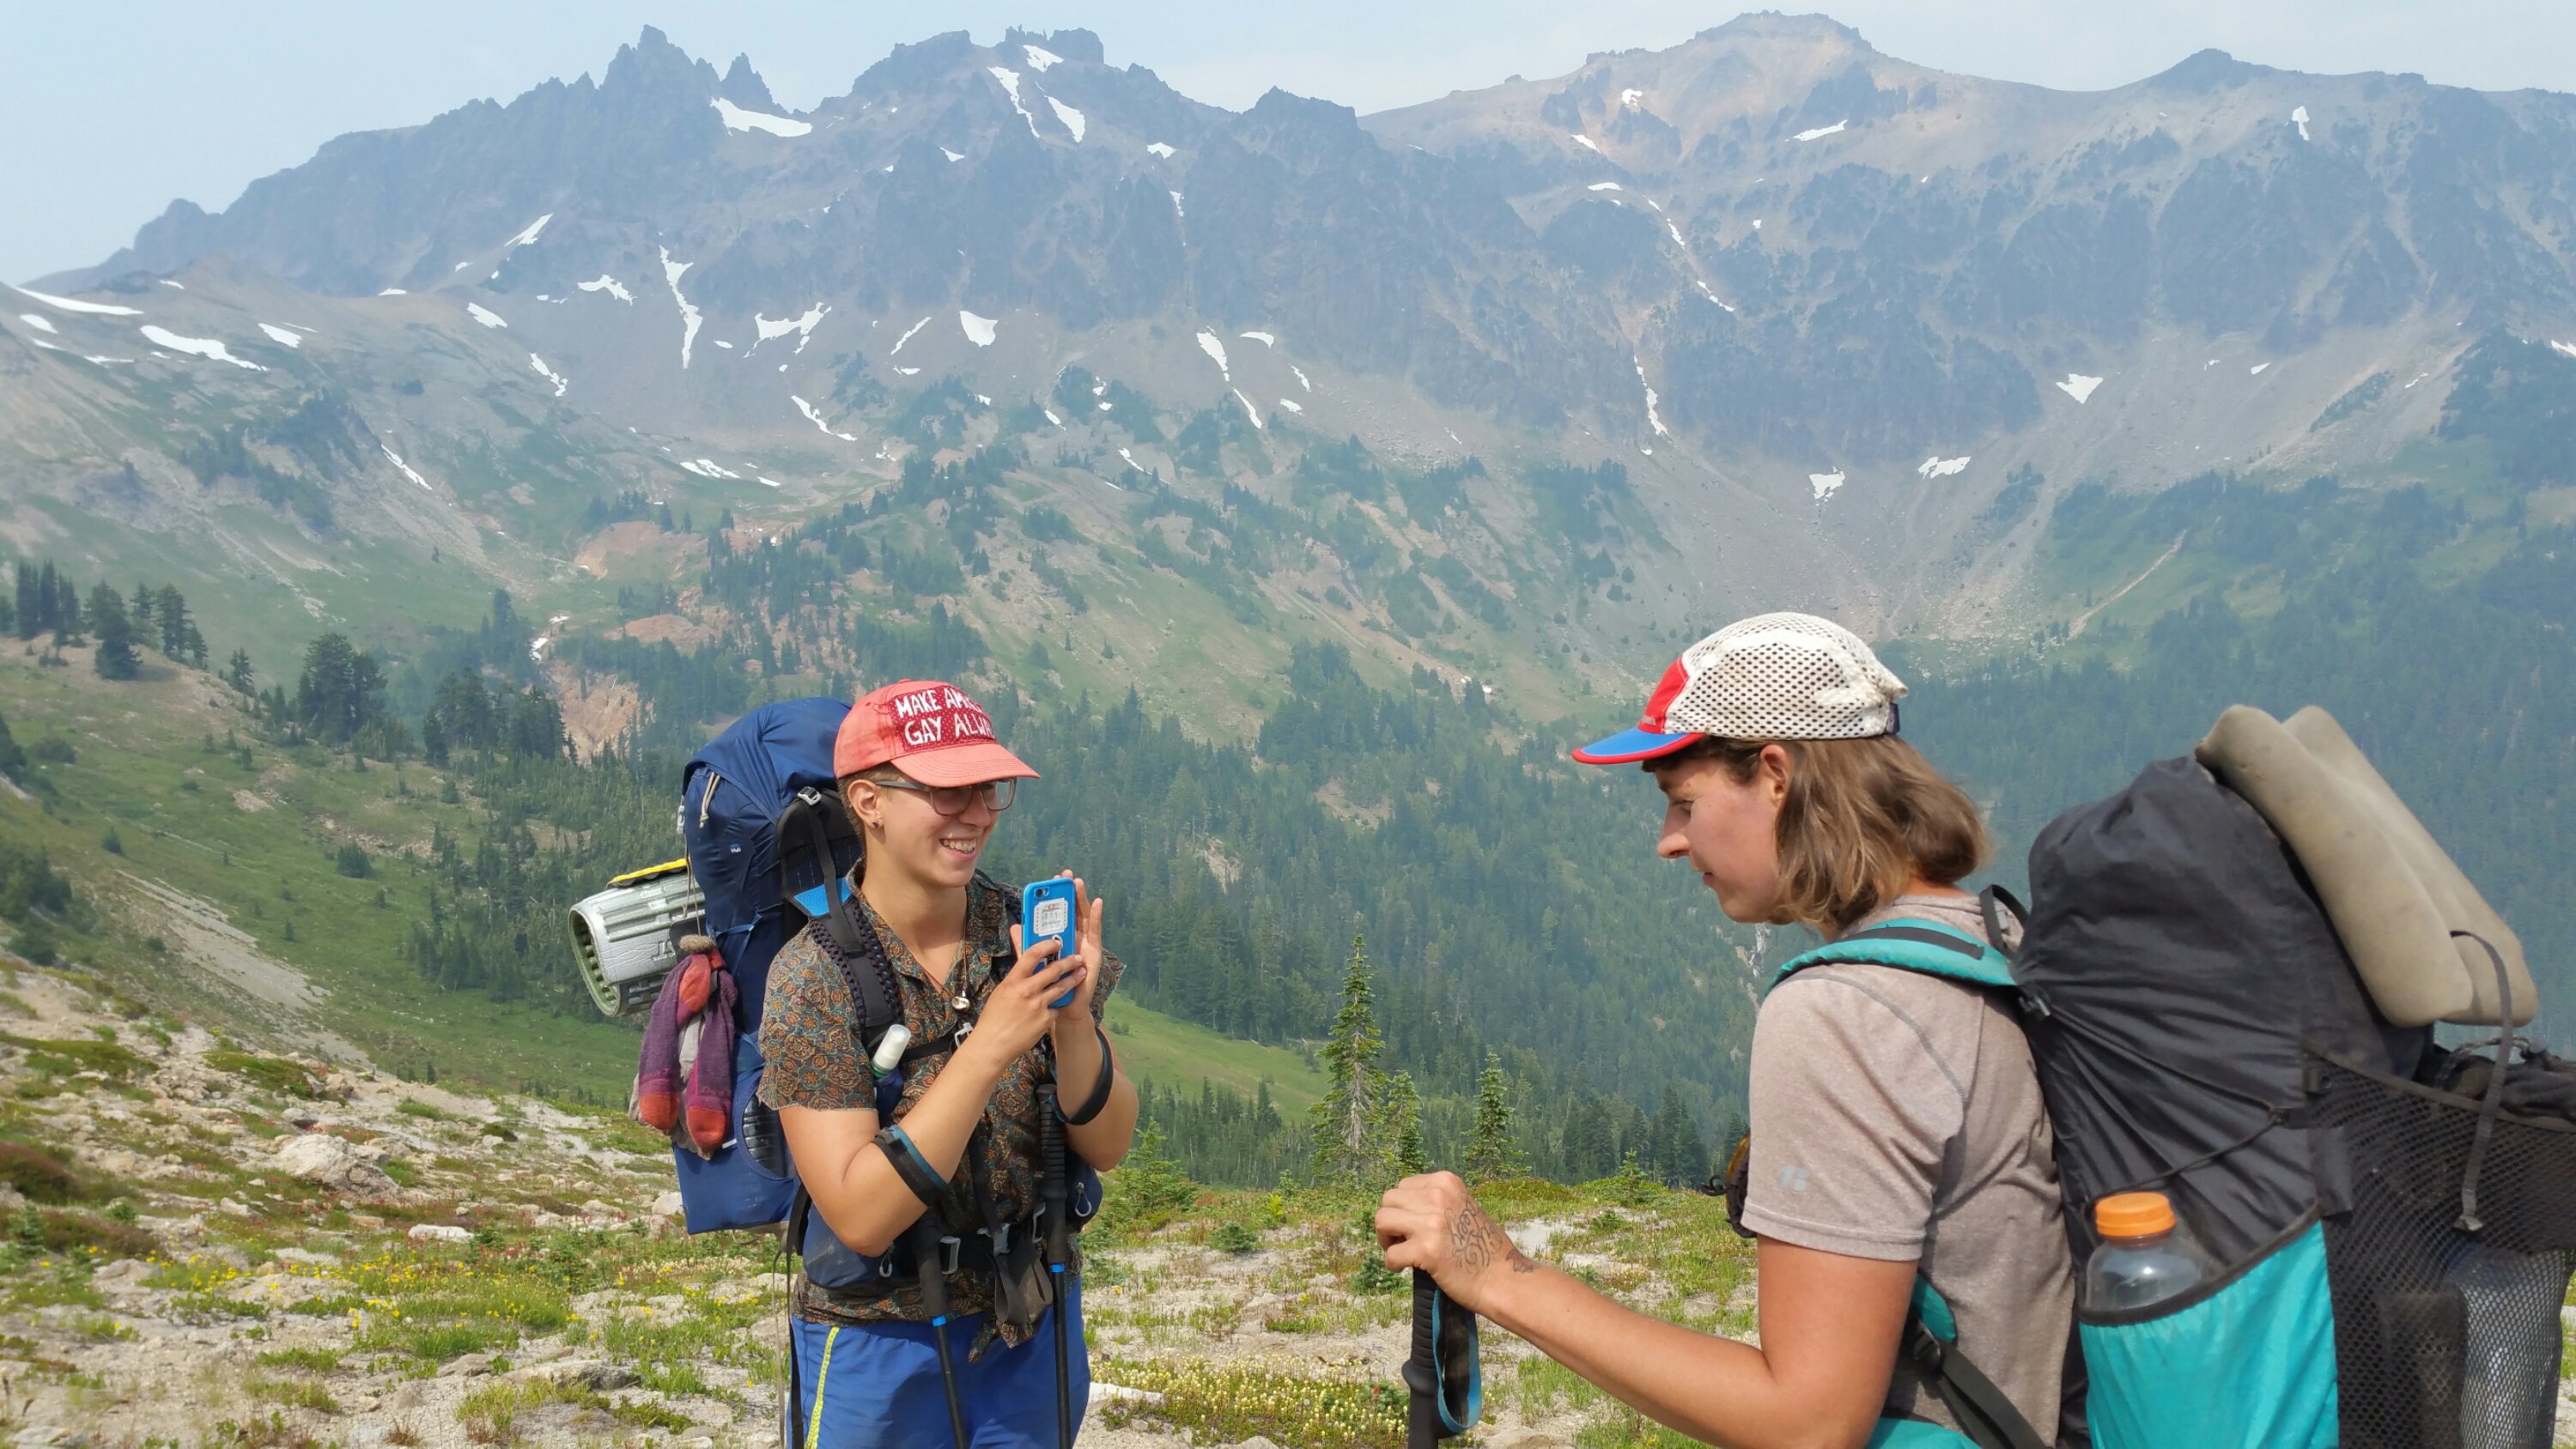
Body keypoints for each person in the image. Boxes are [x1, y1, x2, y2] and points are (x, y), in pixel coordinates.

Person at [1376, 614, 2078, 1449]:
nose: (1669, 842)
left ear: (1776, 774)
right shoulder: (1992, 941)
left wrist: (1498, 1274)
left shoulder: (1847, 1010)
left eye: (1684, 801)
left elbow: (1807, 1421)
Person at [758, 678, 1140, 1448]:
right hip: (877, 1342)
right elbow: (861, 1216)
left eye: (989, 788)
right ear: (868, 801)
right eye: (947, 790)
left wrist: (1072, 1025)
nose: (978, 813)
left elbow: (1108, 1144)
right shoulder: (812, 977)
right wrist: (991, 1044)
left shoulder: (1019, 932)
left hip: (1030, 1317)